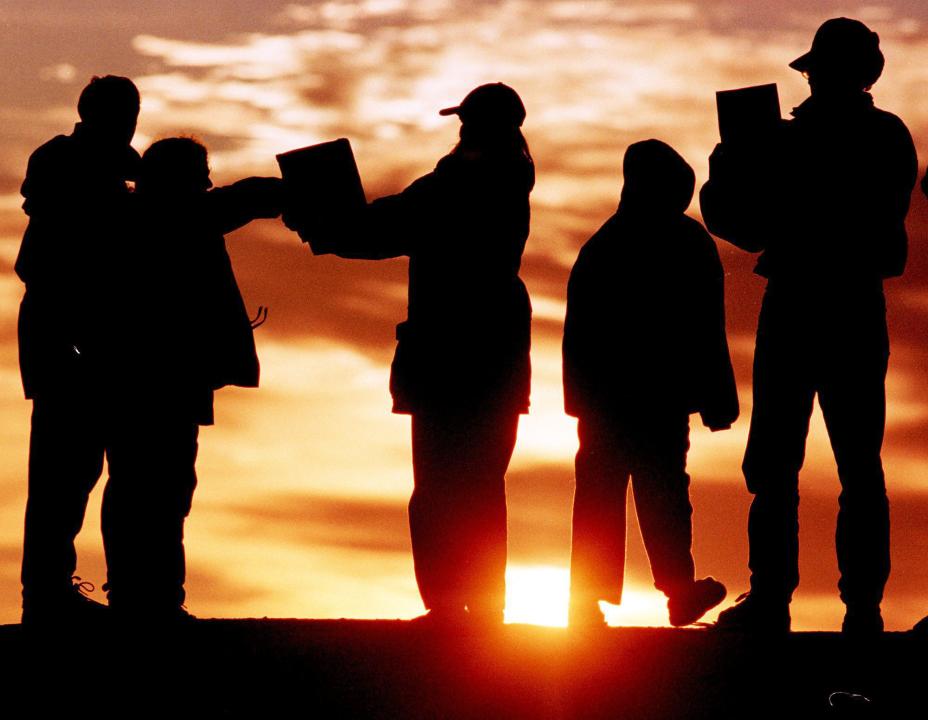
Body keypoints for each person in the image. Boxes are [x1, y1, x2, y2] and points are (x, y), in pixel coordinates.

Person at [286, 83, 534, 624]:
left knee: (441, 483)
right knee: (480, 484)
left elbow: (383, 228)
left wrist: (320, 222)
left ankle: (450, 602)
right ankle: (482, 603)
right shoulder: (501, 179)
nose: (461, 130)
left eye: (468, 122)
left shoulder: (461, 184)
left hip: (450, 352)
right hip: (492, 352)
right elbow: (389, 226)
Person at [701, 18, 917, 634]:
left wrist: (740, 166)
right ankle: (821, 605)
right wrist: (736, 167)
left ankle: (814, 604)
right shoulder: (870, 136)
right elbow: (746, 224)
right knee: (812, 463)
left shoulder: (821, 141)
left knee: (828, 463)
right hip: (834, 303)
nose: (813, 78)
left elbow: (754, 224)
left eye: (820, 68)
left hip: (815, 301)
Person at [99, 137, 281, 621]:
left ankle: (138, 596)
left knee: (139, 486)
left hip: (136, 376)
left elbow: (242, 197)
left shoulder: (127, 216)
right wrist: (301, 188)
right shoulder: (176, 214)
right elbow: (247, 197)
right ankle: (152, 599)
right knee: (160, 489)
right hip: (167, 377)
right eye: (199, 174)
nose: (206, 183)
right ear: (180, 179)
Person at [563, 140, 738, 628]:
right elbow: (707, 327)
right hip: (656, 397)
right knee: (661, 490)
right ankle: (677, 588)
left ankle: (589, 598)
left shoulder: (603, 245)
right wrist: (716, 397)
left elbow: (577, 334)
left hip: (610, 400)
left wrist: (579, 400)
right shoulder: (686, 242)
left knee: (603, 492)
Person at [16, 76, 141, 626]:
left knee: (83, 472)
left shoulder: (108, 170)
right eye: (122, 111)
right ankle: (46, 595)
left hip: (88, 344)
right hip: (69, 344)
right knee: (63, 475)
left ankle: (64, 592)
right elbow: (52, 264)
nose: (130, 120)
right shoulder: (70, 165)